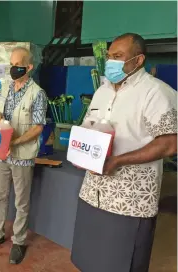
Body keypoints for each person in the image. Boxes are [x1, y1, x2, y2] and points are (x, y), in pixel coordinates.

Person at [71, 33, 177, 272]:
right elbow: (89, 127)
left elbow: (170, 143)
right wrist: (81, 150)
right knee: (90, 259)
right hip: (93, 193)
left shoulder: (156, 93)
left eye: (118, 56)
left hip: (130, 200)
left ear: (138, 60)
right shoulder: (103, 91)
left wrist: (119, 160)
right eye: (109, 56)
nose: (110, 62)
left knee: (123, 263)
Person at [0, 47, 48, 264]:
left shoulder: (37, 93)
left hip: (22, 155)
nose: (13, 69)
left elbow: (38, 128)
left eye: (18, 65)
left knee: (21, 202)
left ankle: (19, 241)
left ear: (29, 67)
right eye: (11, 64)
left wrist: (14, 142)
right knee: (0, 195)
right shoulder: (5, 87)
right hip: (2, 154)